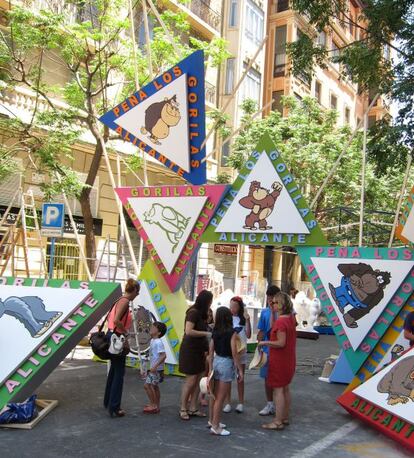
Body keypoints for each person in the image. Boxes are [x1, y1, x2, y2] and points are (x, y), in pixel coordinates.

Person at [258, 291, 296, 431]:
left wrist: (265, 342)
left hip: (280, 360)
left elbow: (281, 342)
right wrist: (274, 312)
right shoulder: (290, 318)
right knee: (285, 389)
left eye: (274, 302)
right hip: (288, 359)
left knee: (278, 390)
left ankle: (278, 421)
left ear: (279, 304)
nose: (271, 304)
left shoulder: (282, 321)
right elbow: (276, 325)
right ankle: (284, 417)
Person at [104, 278, 140, 418]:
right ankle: (115, 406)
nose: (137, 295)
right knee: (119, 373)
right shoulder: (125, 302)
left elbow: (111, 320)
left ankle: (109, 402)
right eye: (138, 292)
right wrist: (124, 333)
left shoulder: (119, 300)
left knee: (114, 371)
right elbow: (117, 320)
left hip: (112, 336)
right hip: (118, 338)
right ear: (135, 290)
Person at [208, 306, 243, 436]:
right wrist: (240, 369)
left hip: (217, 361)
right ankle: (216, 426)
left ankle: (212, 421)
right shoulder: (232, 332)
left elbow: (211, 351)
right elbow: (234, 352)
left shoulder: (215, 331)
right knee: (220, 398)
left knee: (214, 395)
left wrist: (210, 368)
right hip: (226, 363)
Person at [179, 290, 213, 420]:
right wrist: (205, 334)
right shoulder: (193, 312)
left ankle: (193, 407)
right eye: (210, 301)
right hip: (190, 349)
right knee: (191, 380)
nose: (211, 304)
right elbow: (189, 331)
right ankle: (183, 407)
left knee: (198, 379)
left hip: (199, 349)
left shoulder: (201, 313)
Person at [223, 296, 251, 414]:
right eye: (231, 306)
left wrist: (248, 320)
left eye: (234, 306)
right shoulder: (227, 318)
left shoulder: (243, 319)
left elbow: (249, 335)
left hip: (241, 352)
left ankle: (240, 402)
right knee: (228, 378)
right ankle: (227, 402)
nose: (232, 308)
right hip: (229, 351)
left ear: (240, 307)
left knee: (240, 377)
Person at [257, 284, 281, 416]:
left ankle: (279, 405)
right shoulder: (265, 312)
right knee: (266, 378)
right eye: (268, 299)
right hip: (267, 350)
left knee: (279, 379)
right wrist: (258, 346)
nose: (270, 301)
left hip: (280, 350)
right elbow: (261, 331)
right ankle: (270, 404)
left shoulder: (286, 312)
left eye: (272, 299)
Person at [143, 321, 167, 414]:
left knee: (147, 386)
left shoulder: (158, 342)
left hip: (156, 369)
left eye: (154, 328)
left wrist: (155, 366)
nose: (151, 328)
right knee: (154, 386)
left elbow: (163, 356)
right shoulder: (153, 341)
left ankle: (153, 405)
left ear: (159, 332)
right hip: (155, 369)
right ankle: (156, 405)